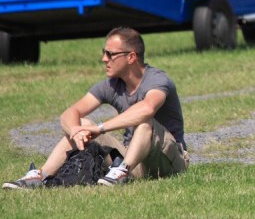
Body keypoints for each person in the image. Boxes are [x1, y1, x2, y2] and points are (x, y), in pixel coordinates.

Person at [3, 27, 188, 189]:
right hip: (133, 158)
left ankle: (122, 171)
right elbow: (70, 113)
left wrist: (100, 128)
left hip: (168, 160)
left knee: (145, 122)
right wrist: (76, 131)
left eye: (110, 54)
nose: (103, 59)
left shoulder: (157, 80)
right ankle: (40, 177)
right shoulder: (111, 85)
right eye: (104, 53)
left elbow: (147, 109)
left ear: (131, 57)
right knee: (81, 123)